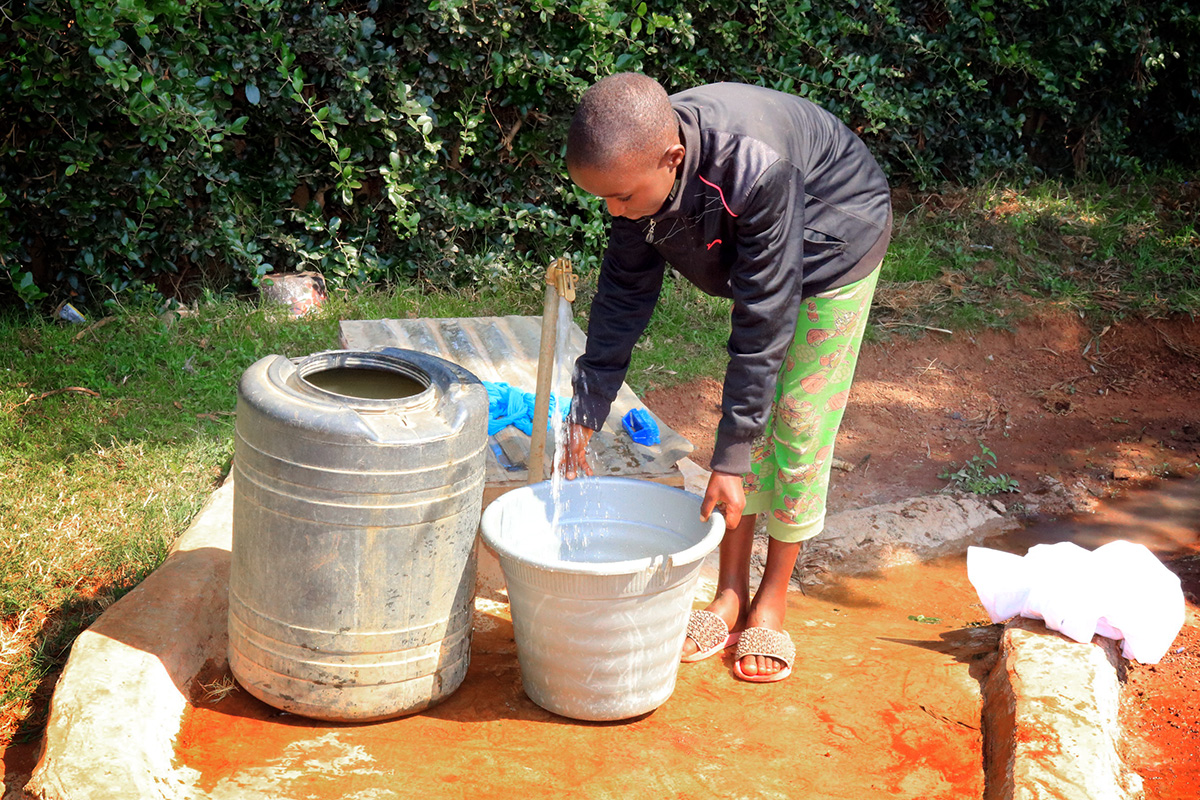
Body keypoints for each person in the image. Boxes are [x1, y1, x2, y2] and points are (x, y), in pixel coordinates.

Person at [561, 73, 891, 683]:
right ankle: (730, 593)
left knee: (797, 420)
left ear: (674, 159)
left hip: (835, 238)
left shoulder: (754, 168)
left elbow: (763, 318)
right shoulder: (638, 163)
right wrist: (588, 403)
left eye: (624, 198)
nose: (614, 212)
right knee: (746, 429)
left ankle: (772, 599)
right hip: (764, 241)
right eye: (603, 200)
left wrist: (731, 458)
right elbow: (623, 292)